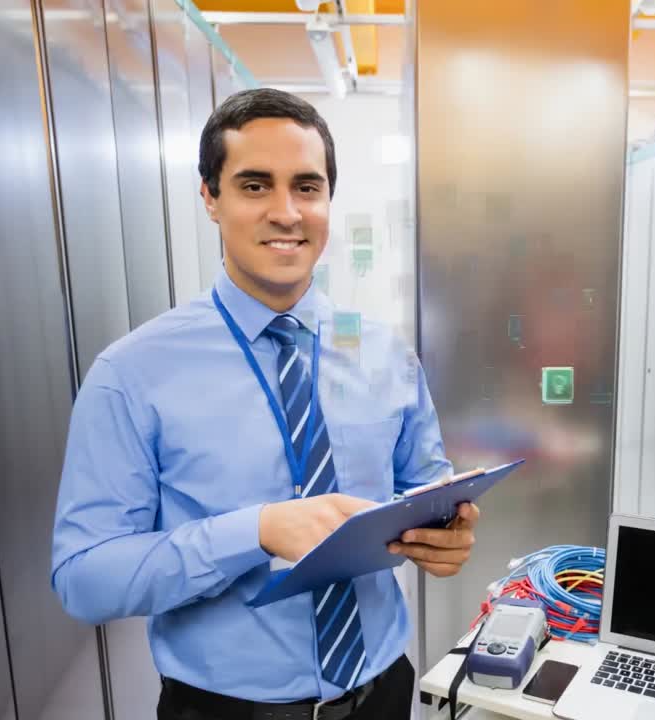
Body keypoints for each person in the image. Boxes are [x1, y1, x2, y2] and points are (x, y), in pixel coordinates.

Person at [51, 88, 480, 720]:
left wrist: (447, 537)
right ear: (210, 198)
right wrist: (253, 532)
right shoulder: (133, 374)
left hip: (382, 694)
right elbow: (84, 578)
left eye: (307, 187)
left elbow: (424, 488)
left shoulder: (386, 356)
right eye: (255, 186)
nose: (287, 212)